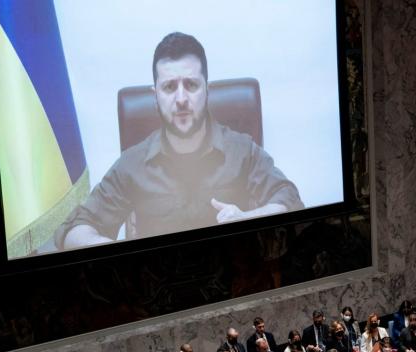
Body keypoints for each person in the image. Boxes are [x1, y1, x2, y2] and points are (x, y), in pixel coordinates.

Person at [55, 32, 301, 250]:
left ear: (207, 90)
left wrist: (250, 219)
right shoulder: (132, 163)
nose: (181, 98)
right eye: (170, 87)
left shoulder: (242, 150)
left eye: (192, 85)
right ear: (156, 96)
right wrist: (119, 255)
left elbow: (289, 200)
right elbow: (73, 228)